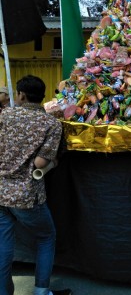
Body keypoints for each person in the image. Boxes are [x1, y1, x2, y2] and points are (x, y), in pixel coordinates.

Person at [0, 75, 72, 295]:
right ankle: (41, 291)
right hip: (26, 195)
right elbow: (40, 163)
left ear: (20, 95)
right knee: (45, 237)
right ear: (42, 96)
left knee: (3, 245)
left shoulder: (5, 115)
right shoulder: (51, 123)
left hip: (0, 192)